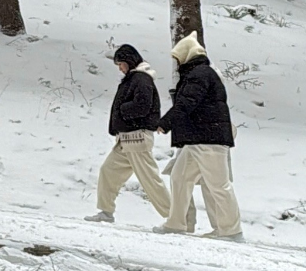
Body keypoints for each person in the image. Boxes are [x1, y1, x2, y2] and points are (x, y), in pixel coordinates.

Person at [154, 33, 243, 242]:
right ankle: (176, 223)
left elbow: (186, 103)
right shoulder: (201, 73)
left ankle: (232, 230)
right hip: (199, 139)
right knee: (179, 177)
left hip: (208, 139)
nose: (177, 63)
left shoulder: (199, 74)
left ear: (186, 55)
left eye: (178, 58)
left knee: (218, 185)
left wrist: (165, 122)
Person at [86, 44, 171, 223]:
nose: (120, 68)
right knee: (108, 172)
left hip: (137, 137)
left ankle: (176, 218)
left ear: (130, 62)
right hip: (126, 139)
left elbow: (143, 105)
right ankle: (106, 212)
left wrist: (122, 111)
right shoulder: (135, 78)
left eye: (121, 63)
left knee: (150, 180)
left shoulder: (141, 79)